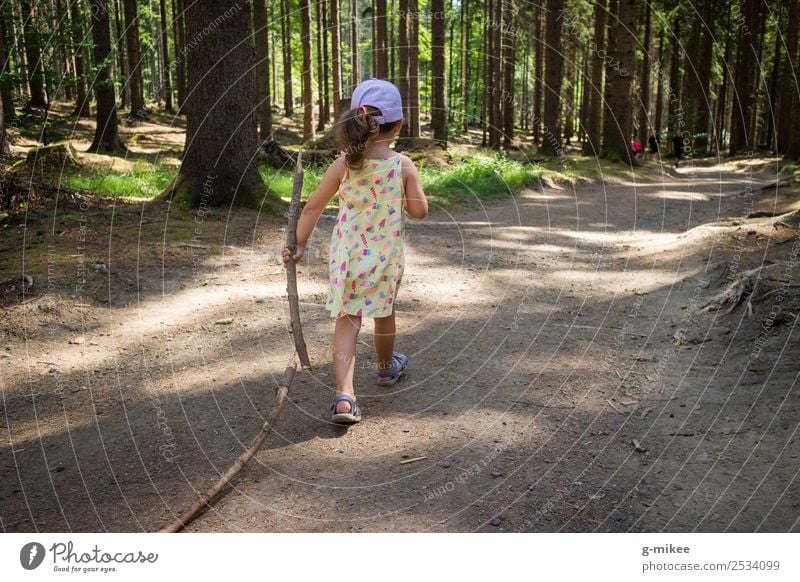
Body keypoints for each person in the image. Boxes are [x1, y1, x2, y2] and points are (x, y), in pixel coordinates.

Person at [282, 79, 429, 425]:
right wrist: (412, 186)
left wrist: (299, 243)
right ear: (399, 125)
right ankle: (384, 369)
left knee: (347, 321)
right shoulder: (403, 165)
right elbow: (419, 211)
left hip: (348, 259)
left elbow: (311, 209)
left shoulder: (344, 165)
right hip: (385, 259)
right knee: (384, 311)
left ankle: (344, 397)